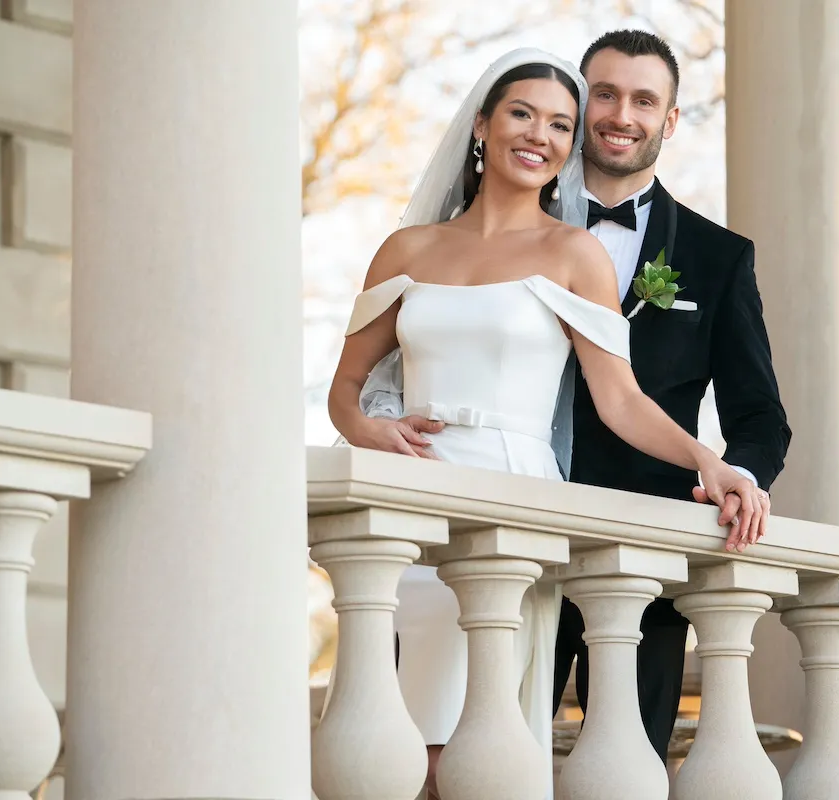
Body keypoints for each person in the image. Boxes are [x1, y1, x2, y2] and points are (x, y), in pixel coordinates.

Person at [326, 47, 765, 800]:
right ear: (482, 126)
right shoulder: (407, 250)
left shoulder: (574, 254)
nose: (542, 135)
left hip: (513, 499)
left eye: (562, 124)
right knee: (396, 746)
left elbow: (618, 399)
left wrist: (708, 460)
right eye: (523, 114)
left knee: (478, 744)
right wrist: (369, 434)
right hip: (415, 502)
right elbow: (346, 388)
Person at [551, 30, 791, 763]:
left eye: (644, 99)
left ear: (671, 118)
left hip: (649, 547)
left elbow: (760, 416)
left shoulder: (719, 258)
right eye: (606, 92)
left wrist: (735, 481)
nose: (622, 113)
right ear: (580, 100)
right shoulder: (509, 227)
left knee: (631, 762)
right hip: (511, 510)